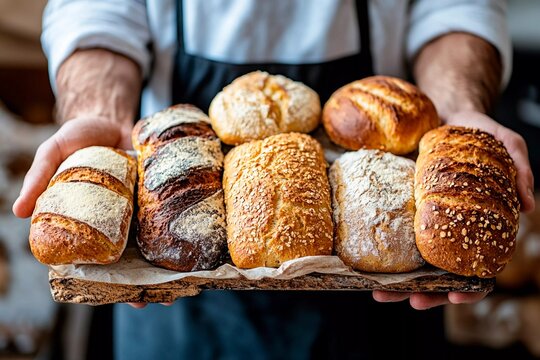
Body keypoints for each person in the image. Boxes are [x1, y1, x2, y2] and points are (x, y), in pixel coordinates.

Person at [14, 0, 536, 359]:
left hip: (377, 284)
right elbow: (98, 11)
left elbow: (453, 8)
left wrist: (459, 106)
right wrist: (100, 111)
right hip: (174, 269)